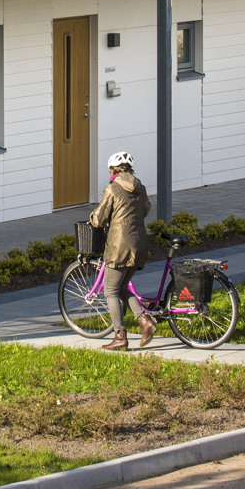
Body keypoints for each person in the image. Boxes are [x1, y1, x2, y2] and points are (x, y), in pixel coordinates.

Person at [88, 150, 155, 351]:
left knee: (110, 291)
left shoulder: (112, 188)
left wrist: (92, 217)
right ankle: (145, 322)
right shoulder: (140, 187)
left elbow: (100, 219)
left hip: (118, 246)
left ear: (112, 170)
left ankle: (120, 336)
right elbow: (146, 209)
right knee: (123, 285)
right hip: (139, 243)